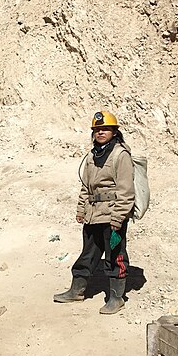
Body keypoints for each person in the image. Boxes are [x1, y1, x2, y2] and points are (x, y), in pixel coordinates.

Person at [54, 110, 135, 314]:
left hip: (112, 217)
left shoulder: (120, 155)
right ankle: (77, 291)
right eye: (97, 129)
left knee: (115, 254)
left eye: (105, 129)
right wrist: (81, 209)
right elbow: (86, 186)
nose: (101, 132)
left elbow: (126, 191)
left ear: (114, 132)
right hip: (92, 215)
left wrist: (118, 218)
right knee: (88, 253)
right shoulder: (92, 155)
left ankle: (116, 298)